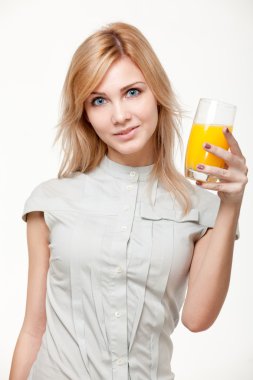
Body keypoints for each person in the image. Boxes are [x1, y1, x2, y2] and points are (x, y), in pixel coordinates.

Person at [9, 22, 248, 380]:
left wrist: (231, 203)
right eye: (99, 100)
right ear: (85, 114)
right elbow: (33, 329)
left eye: (133, 92)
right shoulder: (50, 201)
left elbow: (198, 319)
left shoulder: (202, 208)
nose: (119, 115)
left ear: (157, 94)